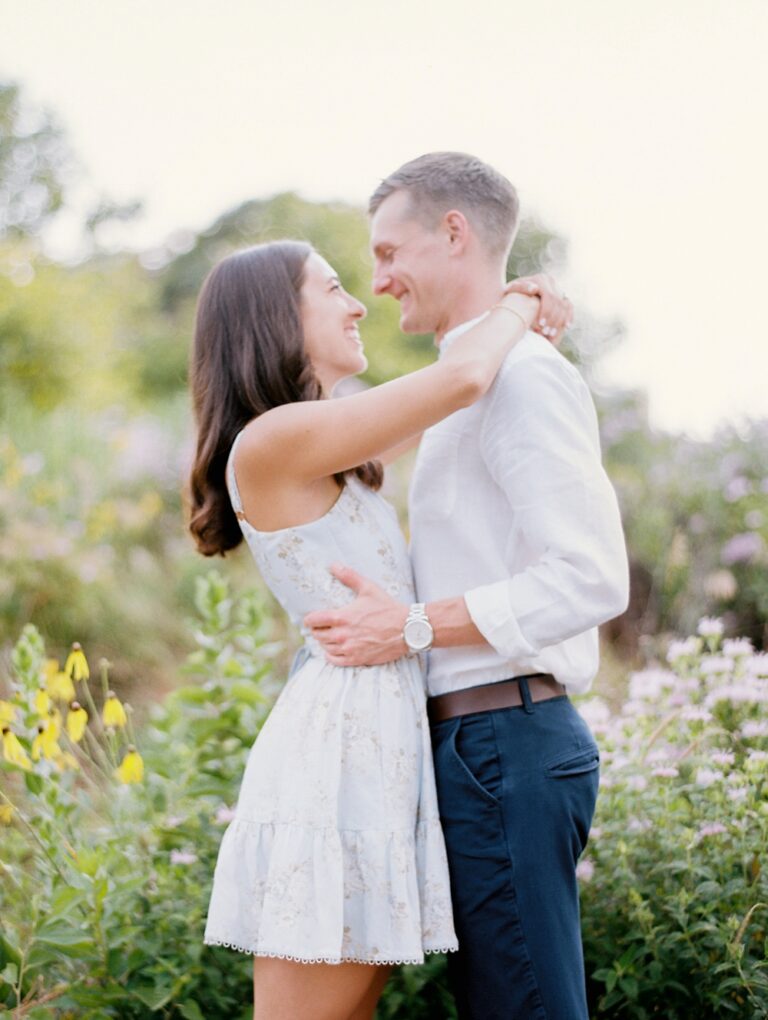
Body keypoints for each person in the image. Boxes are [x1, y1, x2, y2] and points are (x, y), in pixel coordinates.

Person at [187, 238, 571, 1020]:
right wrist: (522, 302)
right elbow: (461, 379)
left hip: (379, 743)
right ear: (274, 318)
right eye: (331, 288)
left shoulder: (330, 446)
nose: (358, 302)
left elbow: (462, 395)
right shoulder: (273, 441)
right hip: (338, 755)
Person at [305, 152, 630, 1020]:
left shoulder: (522, 379)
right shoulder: (463, 387)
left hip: (507, 739)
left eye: (387, 252)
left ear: (454, 233)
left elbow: (591, 576)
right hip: (481, 745)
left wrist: (409, 627)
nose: (378, 282)